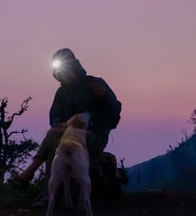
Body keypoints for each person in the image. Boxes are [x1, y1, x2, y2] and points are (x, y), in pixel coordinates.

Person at [9, 48, 122, 187]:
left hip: (94, 137)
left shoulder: (94, 84)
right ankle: (49, 197)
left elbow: (115, 113)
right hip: (68, 136)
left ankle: (30, 173)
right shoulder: (62, 92)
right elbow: (54, 115)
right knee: (55, 146)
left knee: (56, 135)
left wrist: (104, 96)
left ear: (74, 66)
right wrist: (60, 124)